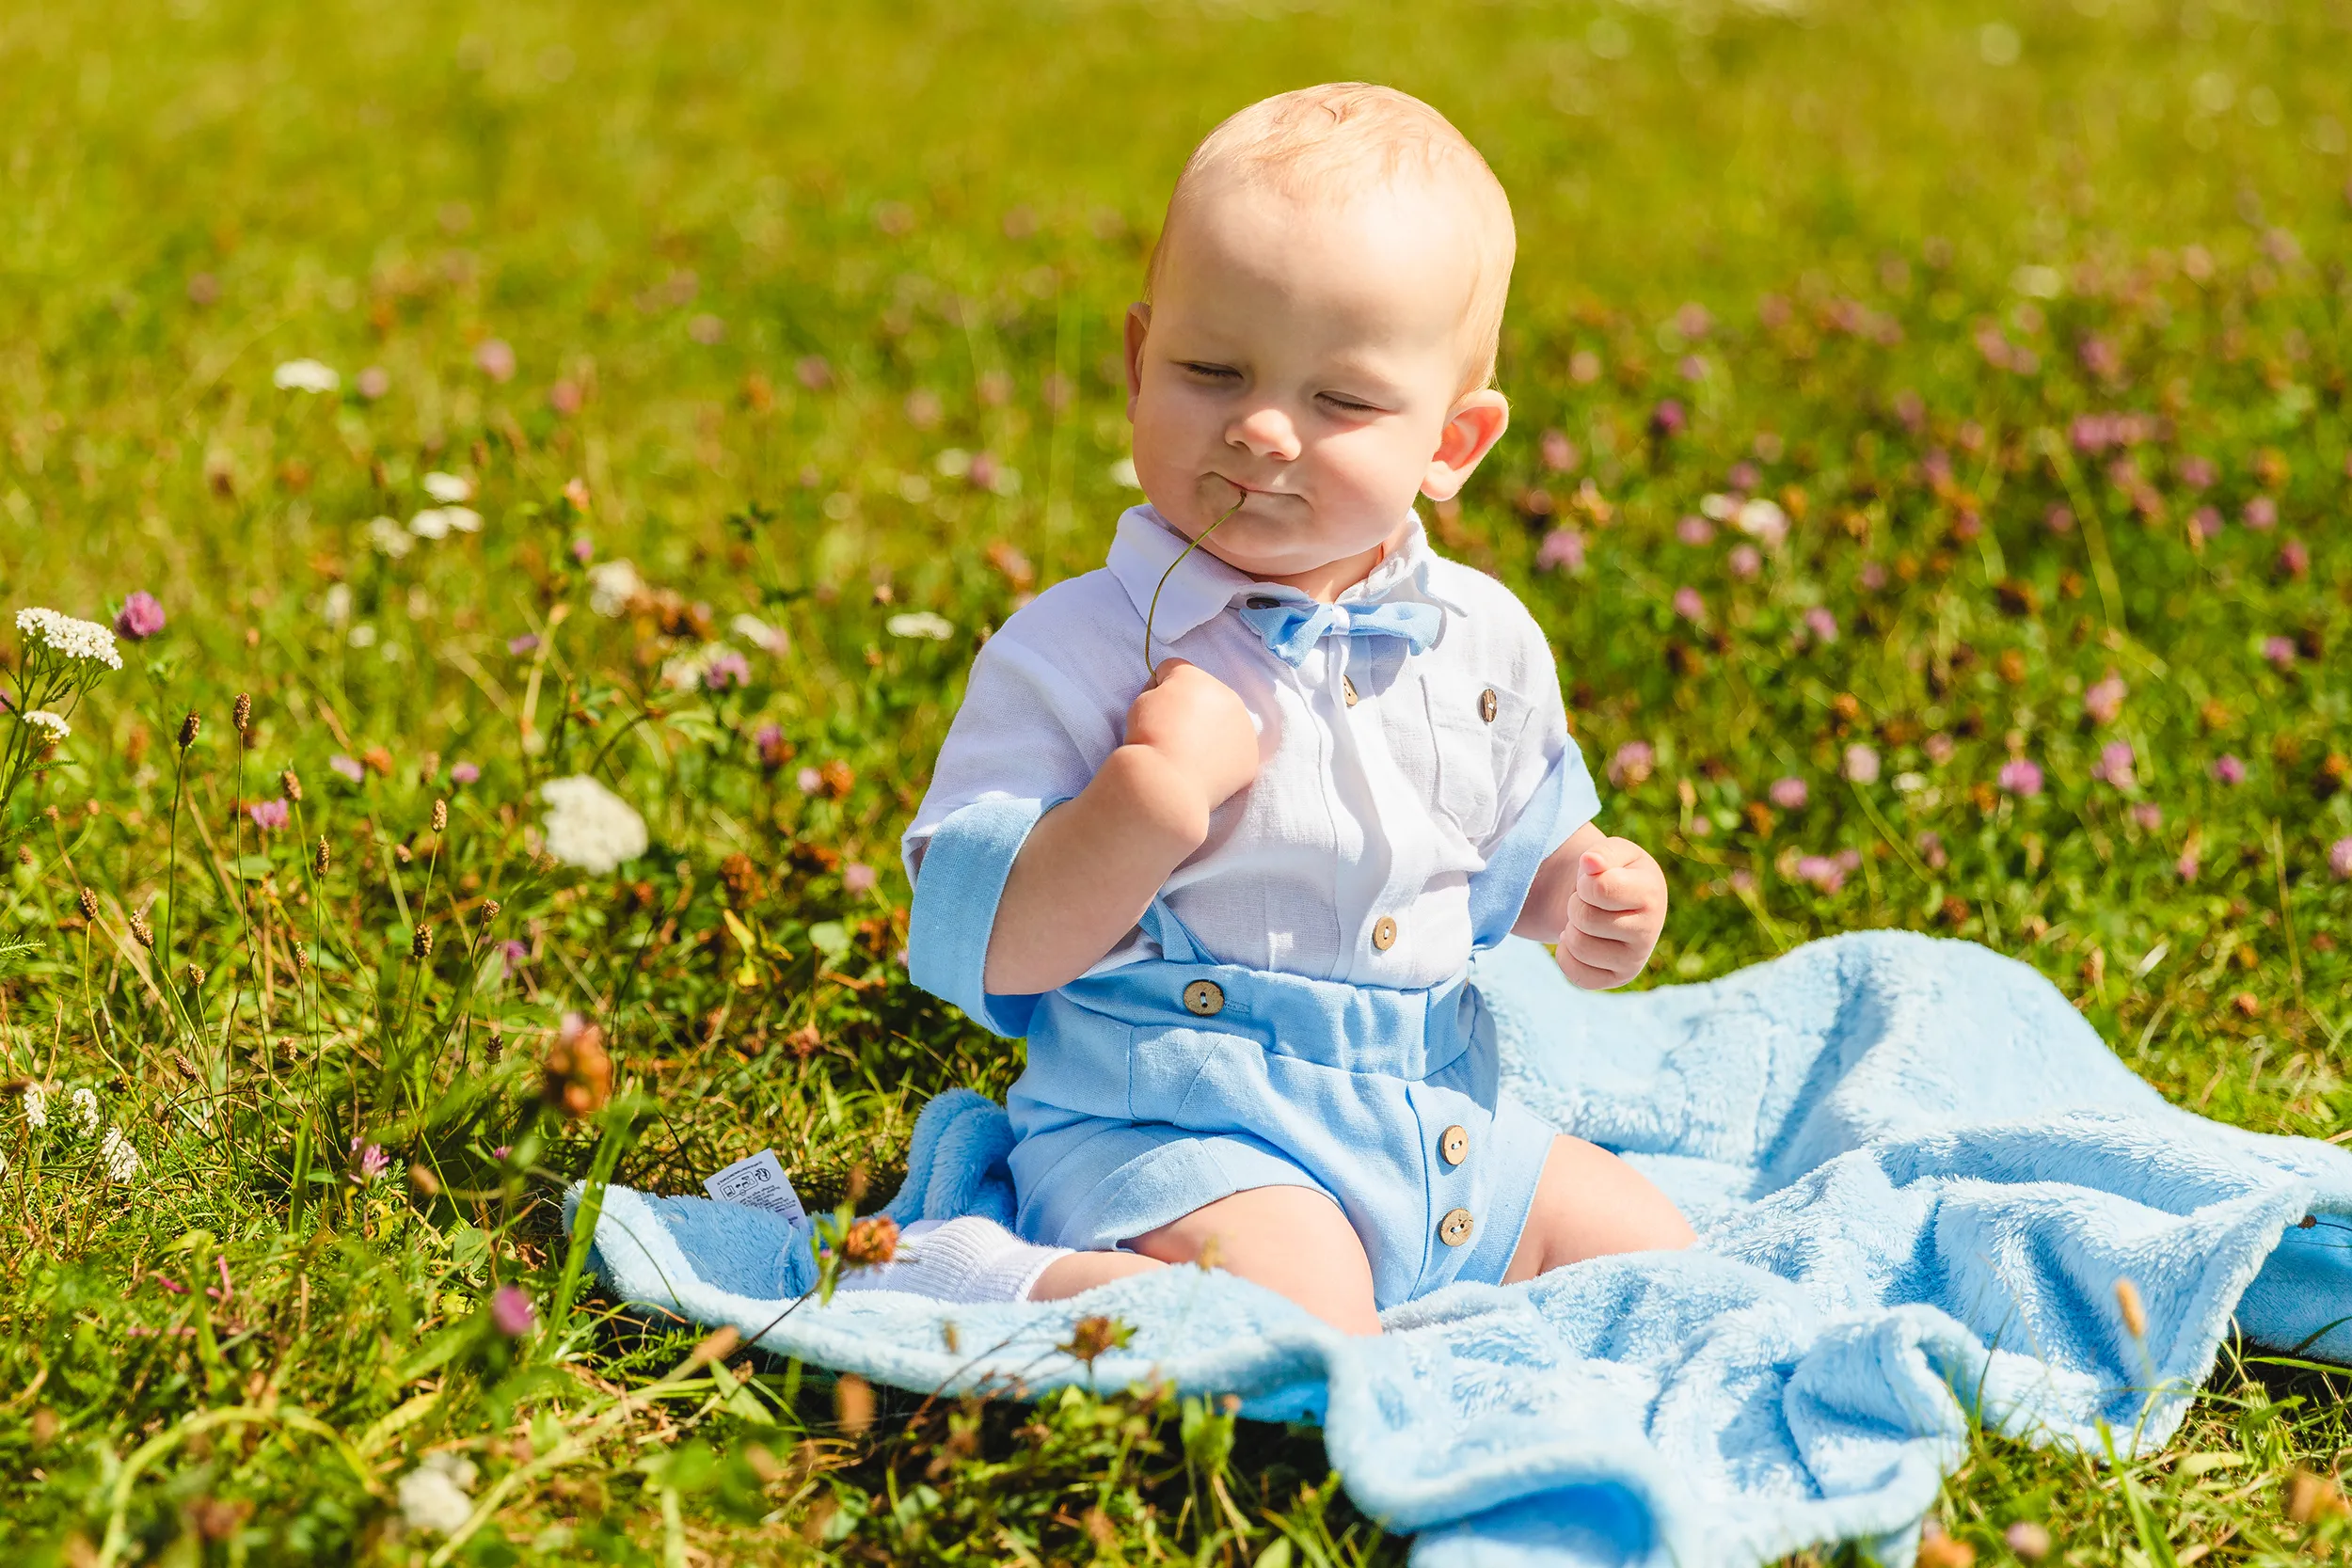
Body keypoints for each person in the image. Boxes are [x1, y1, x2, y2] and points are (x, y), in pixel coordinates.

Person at [898, 83, 1695, 1335]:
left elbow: (1508, 865)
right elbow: (983, 948)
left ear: (1454, 443)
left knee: (1663, 1264)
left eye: (1344, 402)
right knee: (1298, 1318)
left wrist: (1585, 895)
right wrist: (1146, 802)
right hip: (1176, 1128)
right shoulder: (1081, 650)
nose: (1264, 428)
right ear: (1137, 364)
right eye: (1211, 371)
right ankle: (979, 1276)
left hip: (1435, 1124)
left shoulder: (1481, 638)